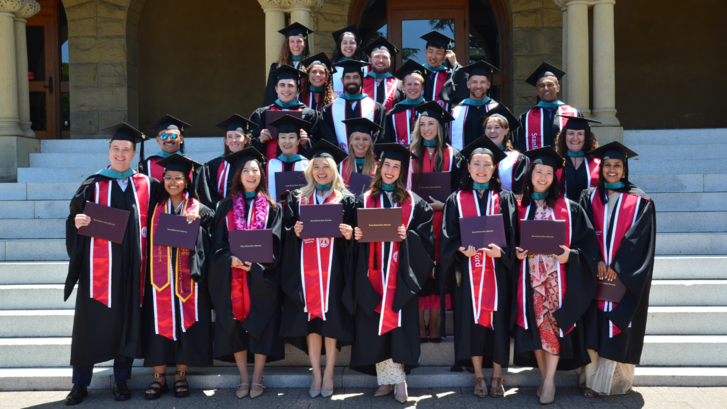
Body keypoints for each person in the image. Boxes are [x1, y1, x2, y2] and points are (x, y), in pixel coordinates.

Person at [64, 123, 158, 405]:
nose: (120, 154)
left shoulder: (147, 185)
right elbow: (74, 219)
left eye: (126, 150)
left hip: (133, 269)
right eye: (116, 149)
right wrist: (76, 223)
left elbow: (164, 217)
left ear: (133, 154)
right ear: (109, 151)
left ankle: (121, 381)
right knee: (89, 326)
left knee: (126, 324)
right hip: (99, 271)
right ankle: (80, 384)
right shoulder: (92, 184)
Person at [512, 146, 599, 405]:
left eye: (548, 173)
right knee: (538, 329)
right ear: (530, 175)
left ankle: (549, 381)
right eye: (538, 171)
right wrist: (514, 253)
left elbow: (588, 247)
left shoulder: (570, 208)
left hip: (557, 282)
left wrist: (570, 256)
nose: (543, 177)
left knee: (552, 328)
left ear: (555, 177)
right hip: (528, 281)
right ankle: (543, 376)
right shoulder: (517, 206)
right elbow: (506, 241)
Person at [350, 143, 435, 403]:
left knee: (396, 327)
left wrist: (406, 236)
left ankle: (399, 382)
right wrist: (355, 236)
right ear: (378, 167)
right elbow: (349, 237)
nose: (389, 170)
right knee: (376, 326)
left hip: (400, 277)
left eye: (396, 167)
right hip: (371, 275)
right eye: (386, 165)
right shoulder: (361, 199)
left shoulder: (415, 203)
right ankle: (386, 381)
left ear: (402, 171)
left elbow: (426, 242)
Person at [438, 135, 516, 398]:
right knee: (470, 323)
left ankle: (497, 375)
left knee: (498, 321)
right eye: (476, 164)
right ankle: (479, 376)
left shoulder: (505, 199)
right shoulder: (456, 199)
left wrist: (501, 253)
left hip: (498, 273)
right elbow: (448, 235)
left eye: (487, 164)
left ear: (494, 168)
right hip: (467, 274)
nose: (481, 169)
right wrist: (460, 248)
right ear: (468, 167)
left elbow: (513, 236)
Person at [578, 142, 656, 398]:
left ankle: (613, 383)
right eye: (607, 165)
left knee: (616, 323)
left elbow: (640, 240)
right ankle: (590, 381)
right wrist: (596, 260)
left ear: (625, 169)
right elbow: (584, 234)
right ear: (600, 169)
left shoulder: (641, 201)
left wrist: (618, 267)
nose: (612, 170)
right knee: (593, 323)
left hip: (623, 278)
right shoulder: (588, 197)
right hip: (595, 274)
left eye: (617, 166)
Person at [279, 140, 355, 398]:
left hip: (334, 272)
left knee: (330, 322)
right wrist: (294, 231)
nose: (321, 171)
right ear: (310, 170)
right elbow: (285, 232)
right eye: (317, 167)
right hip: (306, 272)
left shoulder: (347, 199)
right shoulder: (298, 199)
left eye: (326, 167)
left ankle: (330, 372)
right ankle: (316, 373)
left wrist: (350, 233)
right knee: (311, 322)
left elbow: (357, 234)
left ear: (334, 170)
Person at [208, 147, 284, 399]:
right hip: (232, 279)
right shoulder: (225, 207)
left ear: (261, 174)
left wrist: (258, 265)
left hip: (261, 279)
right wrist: (230, 260)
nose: (251, 175)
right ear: (238, 175)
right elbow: (217, 244)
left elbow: (277, 245)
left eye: (255, 170)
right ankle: (243, 377)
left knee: (262, 324)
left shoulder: (273, 208)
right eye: (246, 171)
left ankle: (258, 376)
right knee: (234, 326)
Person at [142, 155, 214, 400]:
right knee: (159, 325)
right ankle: (158, 377)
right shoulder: (153, 207)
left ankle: (181, 374)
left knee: (187, 325)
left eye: (178, 178)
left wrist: (200, 225)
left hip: (187, 280)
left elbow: (213, 236)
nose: (173, 182)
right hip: (158, 280)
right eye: (169, 178)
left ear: (186, 181)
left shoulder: (199, 208)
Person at [408, 101, 465, 343]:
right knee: (422, 270)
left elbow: (461, 191)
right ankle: (420, 322)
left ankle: (435, 322)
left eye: (431, 123)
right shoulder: (409, 154)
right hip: (419, 222)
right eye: (423, 124)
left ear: (440, 127)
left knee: (440, 270)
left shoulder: (454, 155)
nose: (427, 128)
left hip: (444, 221)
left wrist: (446, 206)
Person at [250, 64, 320, 160]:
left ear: (297, 90)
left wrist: (306, 142)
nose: (286, 89)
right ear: (276, 89)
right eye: (282, 85)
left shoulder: (310, 115)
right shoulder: (262, 113)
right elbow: (248, 144)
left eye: (290, 86)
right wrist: (260, 140)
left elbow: (320, 144)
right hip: (269, 169)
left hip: (300, 170)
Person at [513, 62, 583, 152]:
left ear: (558, 88)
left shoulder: (574, 114)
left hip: (567, 165)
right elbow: (519, 148)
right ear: (537, 91)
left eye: (550, 85)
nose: (546, 88)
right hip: (537, 165)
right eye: (541, 86)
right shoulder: (525, 118)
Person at [320, 59, 387, 153]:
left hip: (369, 163)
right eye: (348, 77)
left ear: (361, 79)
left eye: (355, 77)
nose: (351, 81)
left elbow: (380, 138)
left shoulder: (376, 108)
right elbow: (328, 138)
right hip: (341, 164)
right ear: (342, 80)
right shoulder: (329, 109)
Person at [196, 114, 255, 209]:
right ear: (226, 141)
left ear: (246, 140)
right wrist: (223, 209)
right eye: (230, 137)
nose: (234, 140)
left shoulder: (254, 164)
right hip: (222, 216)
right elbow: (208, 196)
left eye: (238, 136)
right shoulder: (213, 166)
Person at [449, 61, 500, 150]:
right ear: (468, 84)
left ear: (488, 85)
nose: (478, 86)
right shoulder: (456, 112)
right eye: (475, 82)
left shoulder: (497, 109)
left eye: (482, 82)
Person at [479, 104, 529, 194]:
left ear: (506, 131)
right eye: (489, 128)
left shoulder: (517, 159)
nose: (492, 131)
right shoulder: (477, 157)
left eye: (497, 127)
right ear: (484, 131)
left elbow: (521, 192)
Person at [264, 115, 311, 204]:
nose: (287, 141)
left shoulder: (307, 165)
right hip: (275, 215)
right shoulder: (268, 165)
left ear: (298, 141)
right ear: (277, 142)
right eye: (283, 137)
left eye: (292, 137)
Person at [263, 22, 313, 106]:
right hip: (281, 113)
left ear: (304, 43)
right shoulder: (276, 67)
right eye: (292, 41)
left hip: (305, 113)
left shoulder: (311, 67)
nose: (296, 45)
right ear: (287, 44)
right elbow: (270, 95)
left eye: (299, 41)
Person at [554, 116, 601, 200]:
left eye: (580, 134)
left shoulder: (598, 164)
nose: (575, 138)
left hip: (590, 212)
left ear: (586, 137)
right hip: (564, 211)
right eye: (571, 133)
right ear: (564, 136)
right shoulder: (555, 163)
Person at [384, 60, 429, 146]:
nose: (412, 88)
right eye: (409, 84)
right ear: (403, 87)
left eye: (416, 84)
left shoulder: (430, 111)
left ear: (422, 87)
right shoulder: (392, 114)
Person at [138, 114, 193, 182]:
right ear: (158, 140)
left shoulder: (190, 164)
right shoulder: (147, 165)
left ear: (181, 139)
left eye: (173, 136)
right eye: (163, 136)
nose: (169, 139)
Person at [419, 31, 464, 110]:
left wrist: (455, 64)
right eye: (431, 51)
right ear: (425, 52)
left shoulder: (448, 75)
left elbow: (463, 89)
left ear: (445, 55)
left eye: (438, 53)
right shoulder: (418, 73)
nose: (433, 56)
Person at [362, 37, 403, 111]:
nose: (381, 60)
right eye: (377, 57)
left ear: (390, 61)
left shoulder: (400, 85)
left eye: (385, 57)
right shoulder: (361, 84)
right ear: (369, 60)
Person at [338, 117, 381, 188]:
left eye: (365, 139)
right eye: (357, 138)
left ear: (370, 142)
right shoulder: (341, 165)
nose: (361, 143)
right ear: (350, 140)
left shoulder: (378, 165)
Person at [330, 25, 368, 96]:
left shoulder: (365, 67)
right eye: (344, 43)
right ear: (340, 46)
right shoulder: (331, 66)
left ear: (357, 46)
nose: (348, 46)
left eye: (352, 43)